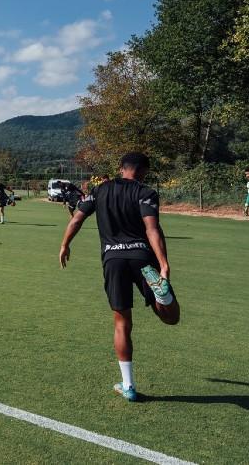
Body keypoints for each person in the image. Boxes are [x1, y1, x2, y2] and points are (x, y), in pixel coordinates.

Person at [59, 152, 179, 402]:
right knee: (172, 318)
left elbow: (77, 219)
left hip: (113, 260)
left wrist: (65, 244)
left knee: (122, 323)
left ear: (120, 168)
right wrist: (164, 265)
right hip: (142, 258)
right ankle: (162, 298)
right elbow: (152, 228)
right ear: (144, 171)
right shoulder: (145, 192)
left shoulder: (99, 190)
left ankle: (128, 385)